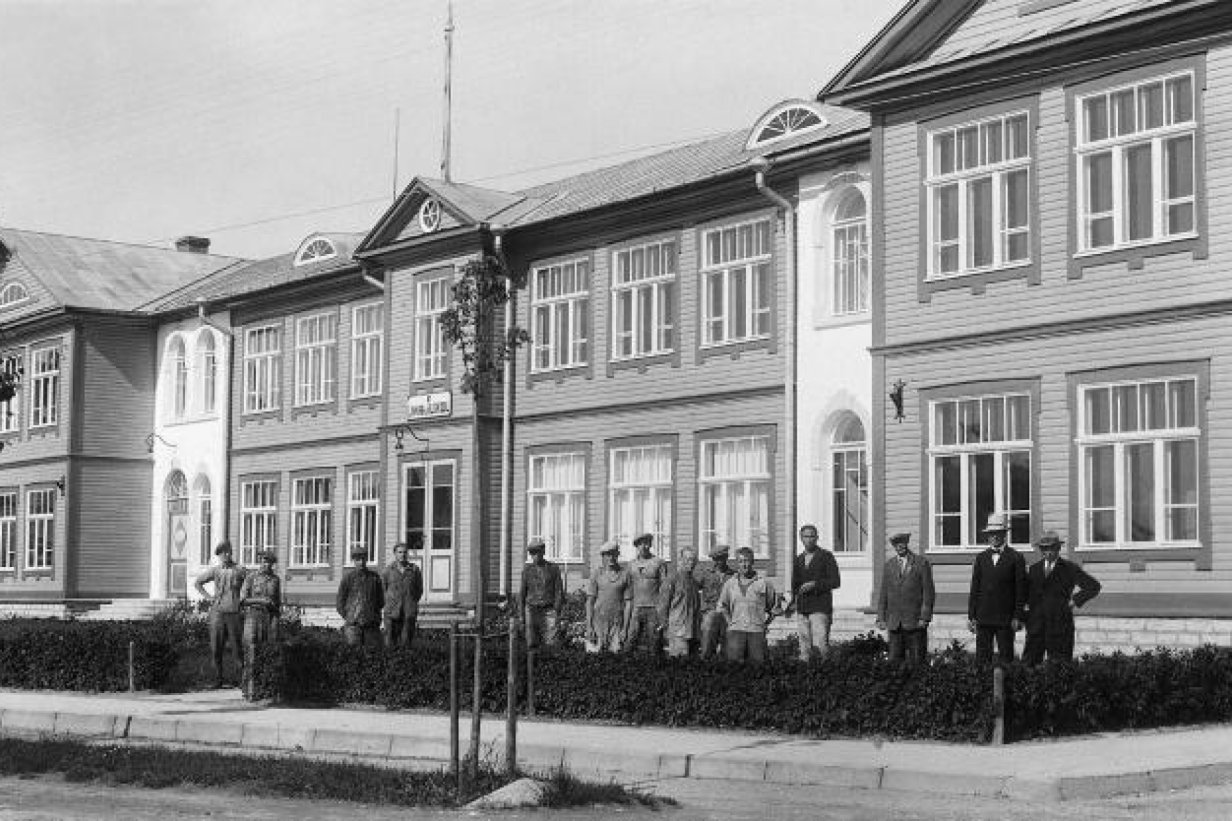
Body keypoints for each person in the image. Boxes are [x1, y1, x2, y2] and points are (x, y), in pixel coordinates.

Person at [1023, 531, 1101, 665]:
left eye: (1051, 548)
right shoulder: (1034, 569)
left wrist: (1075, 601)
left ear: (1058, 548)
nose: (1048, 552)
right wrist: (1026, 616)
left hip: (1060, 625)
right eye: (1044, 549)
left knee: (1060, 666)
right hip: (1036, 626)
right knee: (1030, 665)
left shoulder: (1069, 568)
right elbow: (1027, 595)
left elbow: (1093, 586)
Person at [967, 512, 1028, 664]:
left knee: (1006, 657)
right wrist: (972, 616)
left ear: (1004, 534)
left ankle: (1006, 679)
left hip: (1005, 618)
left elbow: (1021, 590)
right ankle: (983, 679)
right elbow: (975, 588)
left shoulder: (1016, 557)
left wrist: (1018, 616)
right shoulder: (981, 558)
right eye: (991, 533)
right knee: (982, 658)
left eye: (998, 533)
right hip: (984, 616)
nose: (994, 536)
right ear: (987, 536)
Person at [193, 541, 247, 688]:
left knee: (237, 647)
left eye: (228, 552)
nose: (226, 555)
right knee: (216, 647)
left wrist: (243, 597)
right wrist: (209, 597)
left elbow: (249, 583)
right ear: (219, 556)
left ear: (231, 553)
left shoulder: (239, 570)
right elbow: (198, 583)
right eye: (223, 553)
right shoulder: (215, 571)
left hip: (234, 611)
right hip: (217, 612)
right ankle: (217, 679)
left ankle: (241, 680)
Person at [875, 532, 935, 665]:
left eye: (902, 543)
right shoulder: (889, 565)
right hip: (894, 622)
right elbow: (884, 593)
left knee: (917, 661)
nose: (900, 546)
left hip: (915, 622)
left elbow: (928, 593)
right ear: (894, 546)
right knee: (894, 663)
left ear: (907, 543)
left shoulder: (921, 563)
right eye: (896, 544)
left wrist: (924, 617)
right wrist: (881, 617)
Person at [717, 547, 777, 665]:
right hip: (735, 631)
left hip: (756, 632)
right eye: (740, 561)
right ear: (737, 563)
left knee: (758, 668)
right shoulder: (730, 584)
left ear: (752, 562)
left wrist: (765, 624)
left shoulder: (763, 583)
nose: (744, 565)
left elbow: (775, 608)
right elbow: (722, 606)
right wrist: (730, 623)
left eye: (747, 561)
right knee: (734, 668)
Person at [791, 524, 841, 661]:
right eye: (806, 536)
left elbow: (835, 581)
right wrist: (793, 602)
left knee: (821, 646)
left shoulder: (826, 556)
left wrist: (815, 584)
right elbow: (795, 584)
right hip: (803, 608)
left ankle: (824, 671)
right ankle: (805, 672)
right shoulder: (798, 559)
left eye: (812, 536)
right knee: (804, 649)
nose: (809, 539)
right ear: (801, 538)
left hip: (820, 608)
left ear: (817, 538)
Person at [238, 549, 281, 699]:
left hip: (269, 618)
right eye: (264, 561)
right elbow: (243, 599)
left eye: (269, 562)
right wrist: (261, 601)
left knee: (266, 653)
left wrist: (275, 622)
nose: (266, 564)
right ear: (260, 562)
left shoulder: (275, 580)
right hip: (253, 617)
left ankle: (264, 689)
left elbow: (277, 603)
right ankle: (249, 690)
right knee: (251, 653)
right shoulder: (251, 577)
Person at [585, 539, 633, 653]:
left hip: (617, 622)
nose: (611, 558)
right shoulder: (597, 574)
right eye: (607, 555)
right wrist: (589, 626)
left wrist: (625, 629)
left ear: (618, 555)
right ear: (603, 557)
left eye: (614, 554)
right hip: (598, 621)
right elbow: (590, 602)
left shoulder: (625, 575)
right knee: (594, 655)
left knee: (616, 655)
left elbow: (628, 603)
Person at [518, 537, 566, 651]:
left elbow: (559, 591)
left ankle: (550, 660)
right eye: (532, 553)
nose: (534, 555)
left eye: (537, 552)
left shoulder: (553, 569)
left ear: (543, 551)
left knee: (552, 641)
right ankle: (532, 661)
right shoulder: (527, 570)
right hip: (531, 609)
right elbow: (522, 593)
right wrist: (521, 615)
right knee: (531, 641)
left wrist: (557, 610)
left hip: (549, 609)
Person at [624, 533, 667, 655]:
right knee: (630, 641)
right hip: (636, 608)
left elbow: (664, 589)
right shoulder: (631, 565)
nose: (644, 546)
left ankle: (655, 665)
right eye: (641, 544)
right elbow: (628, 588)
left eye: (647, 543)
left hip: (653, 608)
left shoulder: (658, 562)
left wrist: (662, 610)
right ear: (637, 546)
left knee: (655, 642)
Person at [337, 545, 384, 647]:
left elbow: (380, 600)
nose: (361, 562)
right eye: (358, 560)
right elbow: (340, 601)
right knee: (353, 652)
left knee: (372, 652)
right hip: (353, 626)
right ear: (354, 561)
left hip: (371, 625)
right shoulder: (348, 578)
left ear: (366, 560)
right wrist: (348, 616)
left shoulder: (374, 578)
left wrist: (374, 614)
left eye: (363, 559)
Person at [694, 545, 736, 659]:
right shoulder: (706, 573)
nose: (718, 562)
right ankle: (707, 663)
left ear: (726, 558)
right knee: (707, 646)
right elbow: (693, 588)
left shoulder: (733, 575)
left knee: (728, 648)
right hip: (710, 612)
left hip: (727, 614)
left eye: (721, 558)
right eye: (715, 559)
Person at [658, 548, 701, 657]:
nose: (691, 563)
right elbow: (663, 605)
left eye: (693, 560)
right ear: (680, 560)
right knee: (679, 662)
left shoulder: (694, 582)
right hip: (678, 632)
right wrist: (666, 627)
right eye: (688, 559)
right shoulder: (672, 579)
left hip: (693, 631)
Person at [381, 542, 424, 649]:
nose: (402, 555)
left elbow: (418, 590)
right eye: (399, 552)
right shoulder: (387, 571)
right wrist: (390, 603)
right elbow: (383, 590)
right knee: (390, 644)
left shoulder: (414, 570)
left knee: (406, 643)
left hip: (408, 611)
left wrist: (411, 602)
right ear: (395, 554)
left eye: (405, 552)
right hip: (391, 612)